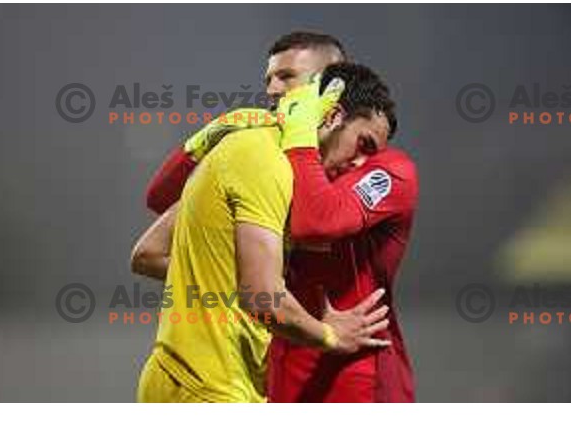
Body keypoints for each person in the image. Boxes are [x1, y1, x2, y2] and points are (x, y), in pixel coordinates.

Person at [141, 32, 419, 401]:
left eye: (288, 78)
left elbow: (314, 222)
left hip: (353, 377)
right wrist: (204, 141)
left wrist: (300, 138)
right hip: (274, 371)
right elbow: (167, 206)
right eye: (269, 79)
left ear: (328, 96)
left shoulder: (384, 168)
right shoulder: (261, 153)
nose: (273, 89)